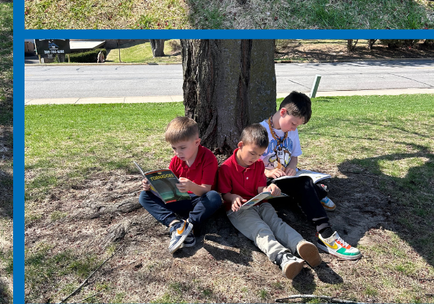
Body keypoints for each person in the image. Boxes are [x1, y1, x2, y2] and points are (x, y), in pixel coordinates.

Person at [259, 92, 361, 259]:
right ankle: (325, 233)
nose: (294, 128)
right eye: (293, 124)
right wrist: (267, 171)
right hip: (268, 180)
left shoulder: (291, 131)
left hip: (288, 177)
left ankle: (318, 192)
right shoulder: (261, 130)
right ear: (283, 112)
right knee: (305, 185)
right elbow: (247, 162)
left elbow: (294, 156)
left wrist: (292, 167)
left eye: (297, 126)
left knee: (308, 183)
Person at [218, 124, 323, 279]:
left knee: (277, 223)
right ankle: (283, 257)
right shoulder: (226, 168)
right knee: (260, 229)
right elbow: (224, 193)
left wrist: (270, 189)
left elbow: (261, 188)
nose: (254, 159)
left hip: (261, 203)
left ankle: (300, 244)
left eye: (259, 155)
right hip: (239, 209)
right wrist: (233, 197)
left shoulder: (259, 164)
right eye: (252, 154)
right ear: (240, 145)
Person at [139, 116, 223, 253]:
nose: (178, 152)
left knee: (214, 197)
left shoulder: (208, 158)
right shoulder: (176, 161)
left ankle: (189, 224)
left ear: (197, 142)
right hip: (179, 200)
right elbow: (169, 185)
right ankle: (175, 224)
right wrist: (152, 186)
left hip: (199, 202)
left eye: (182, 148)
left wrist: (191, 186)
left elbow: (206, 191)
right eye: (174, 148)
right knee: (144, 196)